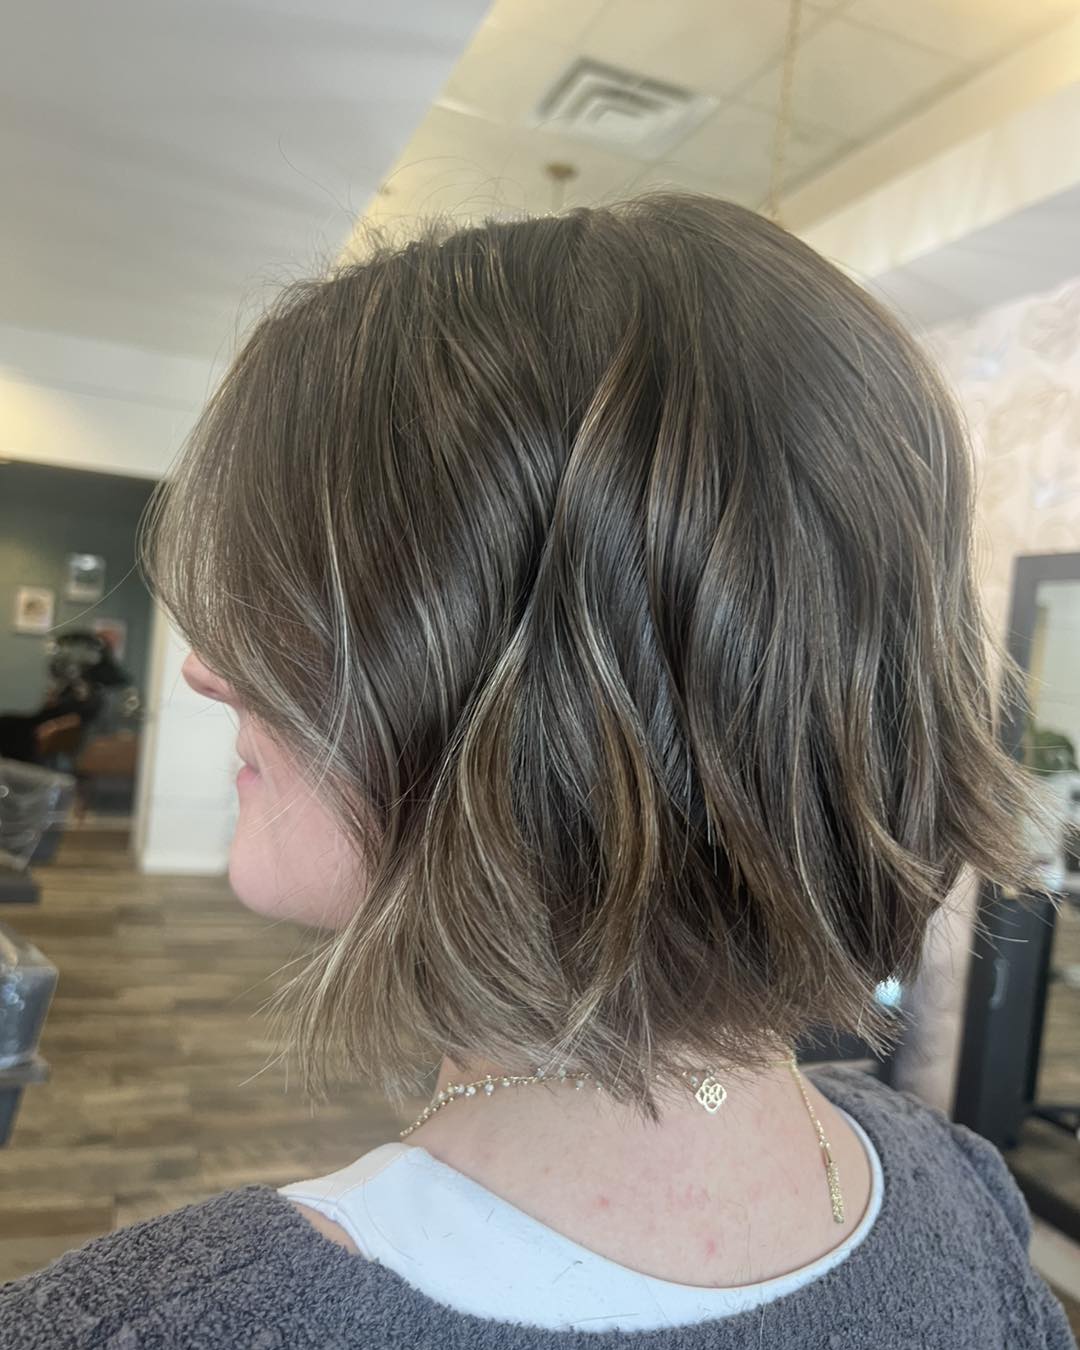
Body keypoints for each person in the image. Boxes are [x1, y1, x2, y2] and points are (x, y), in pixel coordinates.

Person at [1, 194, 1074, 1349]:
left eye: (294, 604)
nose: (210, 669)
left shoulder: (140, 1329)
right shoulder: (966, 1197)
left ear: (522, 698)